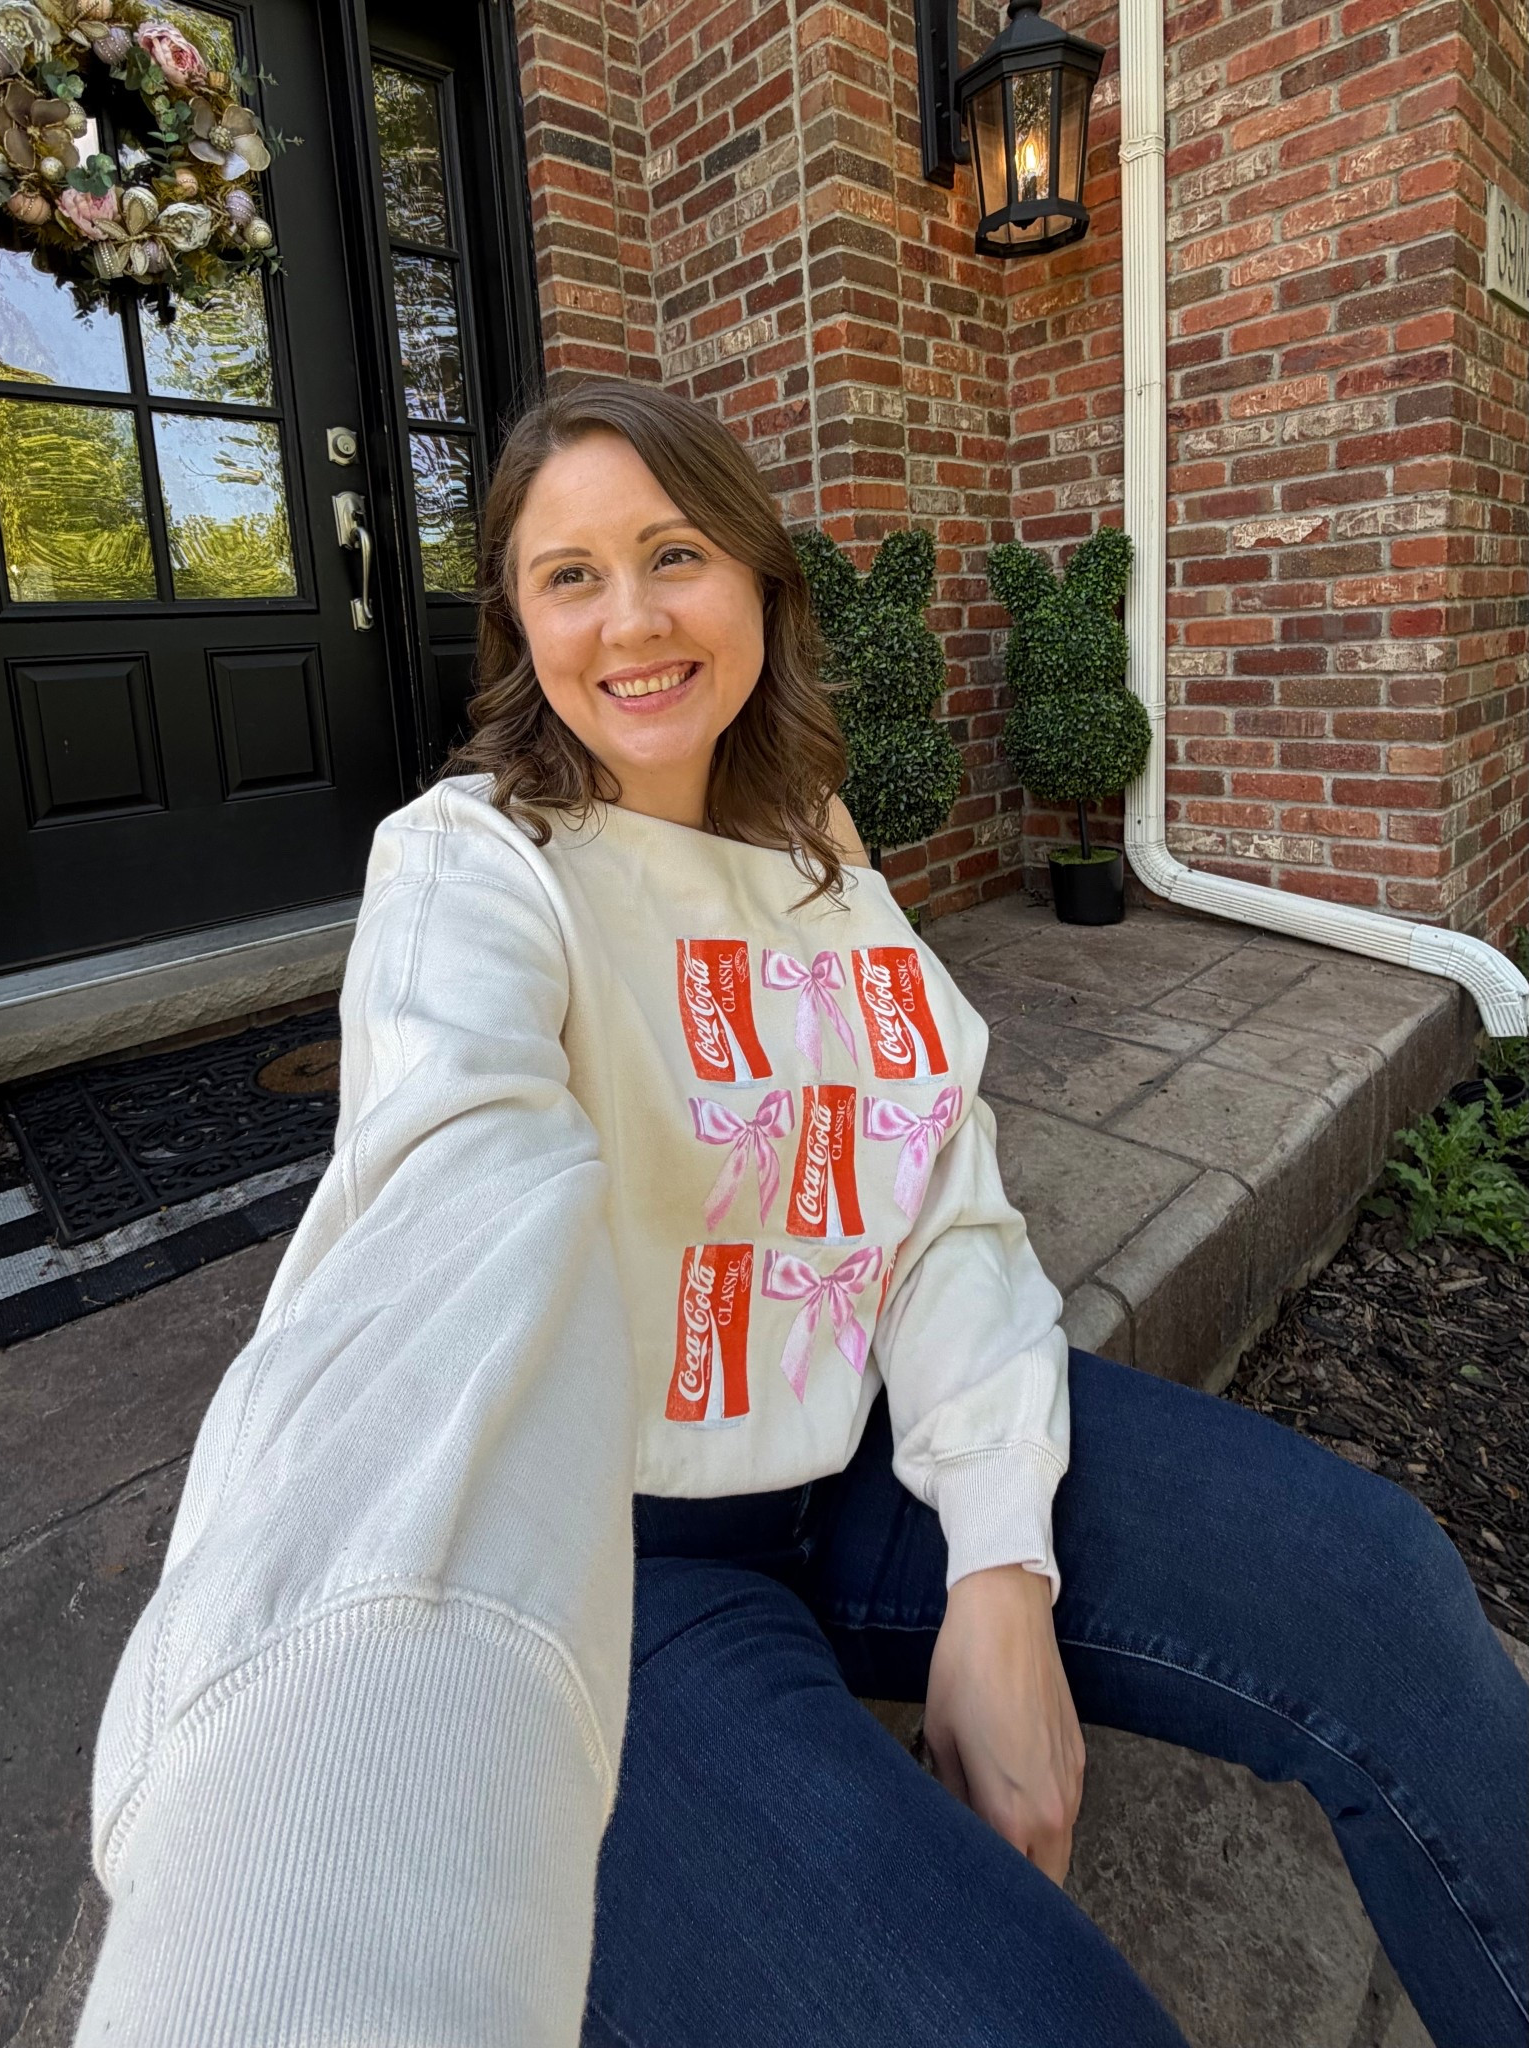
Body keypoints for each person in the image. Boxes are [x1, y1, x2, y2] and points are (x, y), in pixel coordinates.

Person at [77, 379, 1527, 2048]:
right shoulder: (473, 865)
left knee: (1380, 1591)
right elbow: (446, 1218)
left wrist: (998, 1562)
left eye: (673, 552)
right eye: (568, 575)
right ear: (517, 621)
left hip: (853, 1455)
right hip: (609, 1560)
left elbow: (935, 1193)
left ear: (760, 582)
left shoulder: (822, 862)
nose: (630, 620)